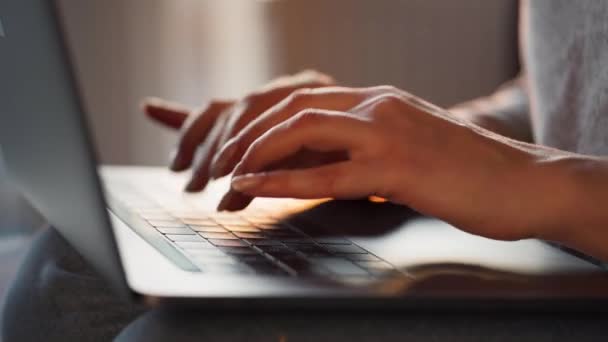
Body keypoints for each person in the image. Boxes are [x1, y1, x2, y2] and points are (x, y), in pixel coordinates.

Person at [3, 1, 608, 341]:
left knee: (186, 338)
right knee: (67, 265)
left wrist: (541, 183)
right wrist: (396, 143)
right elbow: (558, 93)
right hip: (552, 246)